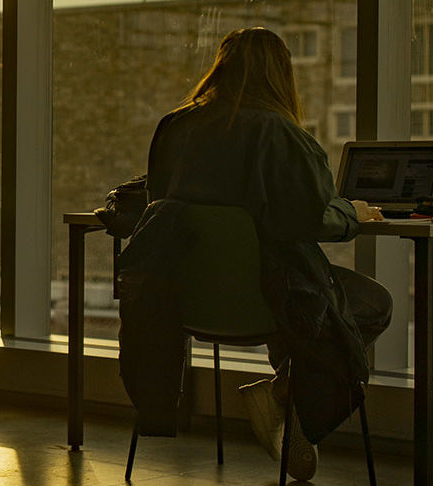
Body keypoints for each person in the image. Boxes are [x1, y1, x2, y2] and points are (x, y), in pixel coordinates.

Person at [138, 27, 391, 480]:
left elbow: (157, 201)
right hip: (270, 299)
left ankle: (285, 396)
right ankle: (284, 395)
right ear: (282, 75)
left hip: (186, 300)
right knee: (369, 302)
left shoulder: (174, 127)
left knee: (301, 297)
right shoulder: (281, 135)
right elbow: (311, 221)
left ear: (221, 67)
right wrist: (351, 212)